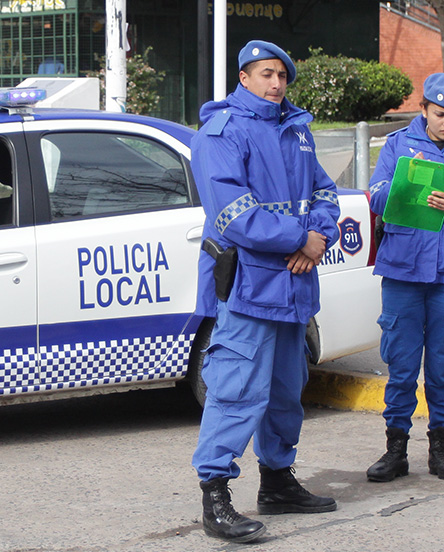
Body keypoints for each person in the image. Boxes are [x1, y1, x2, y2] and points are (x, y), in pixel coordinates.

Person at [189, 40, 340, 543]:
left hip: (294, 284)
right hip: (249, 285)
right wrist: (302, 239)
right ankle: (215, 497)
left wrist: (318, 237)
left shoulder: (296, 129)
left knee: (285, 391)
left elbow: (325, 192)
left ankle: (277, 482)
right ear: (244, 77)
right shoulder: (222, 131)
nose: (276, 83)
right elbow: (234, 215)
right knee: (236, 391)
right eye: (266, 74)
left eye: (282, 75)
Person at [365, 73, 444, 484]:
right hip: (404, 272)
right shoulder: (398, 145)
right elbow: (375, 195)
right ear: (425, 110)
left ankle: (439, 447)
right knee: (401, 365)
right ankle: (396, 449)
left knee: (443, 368)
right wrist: (408, 187)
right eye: (440, 113)